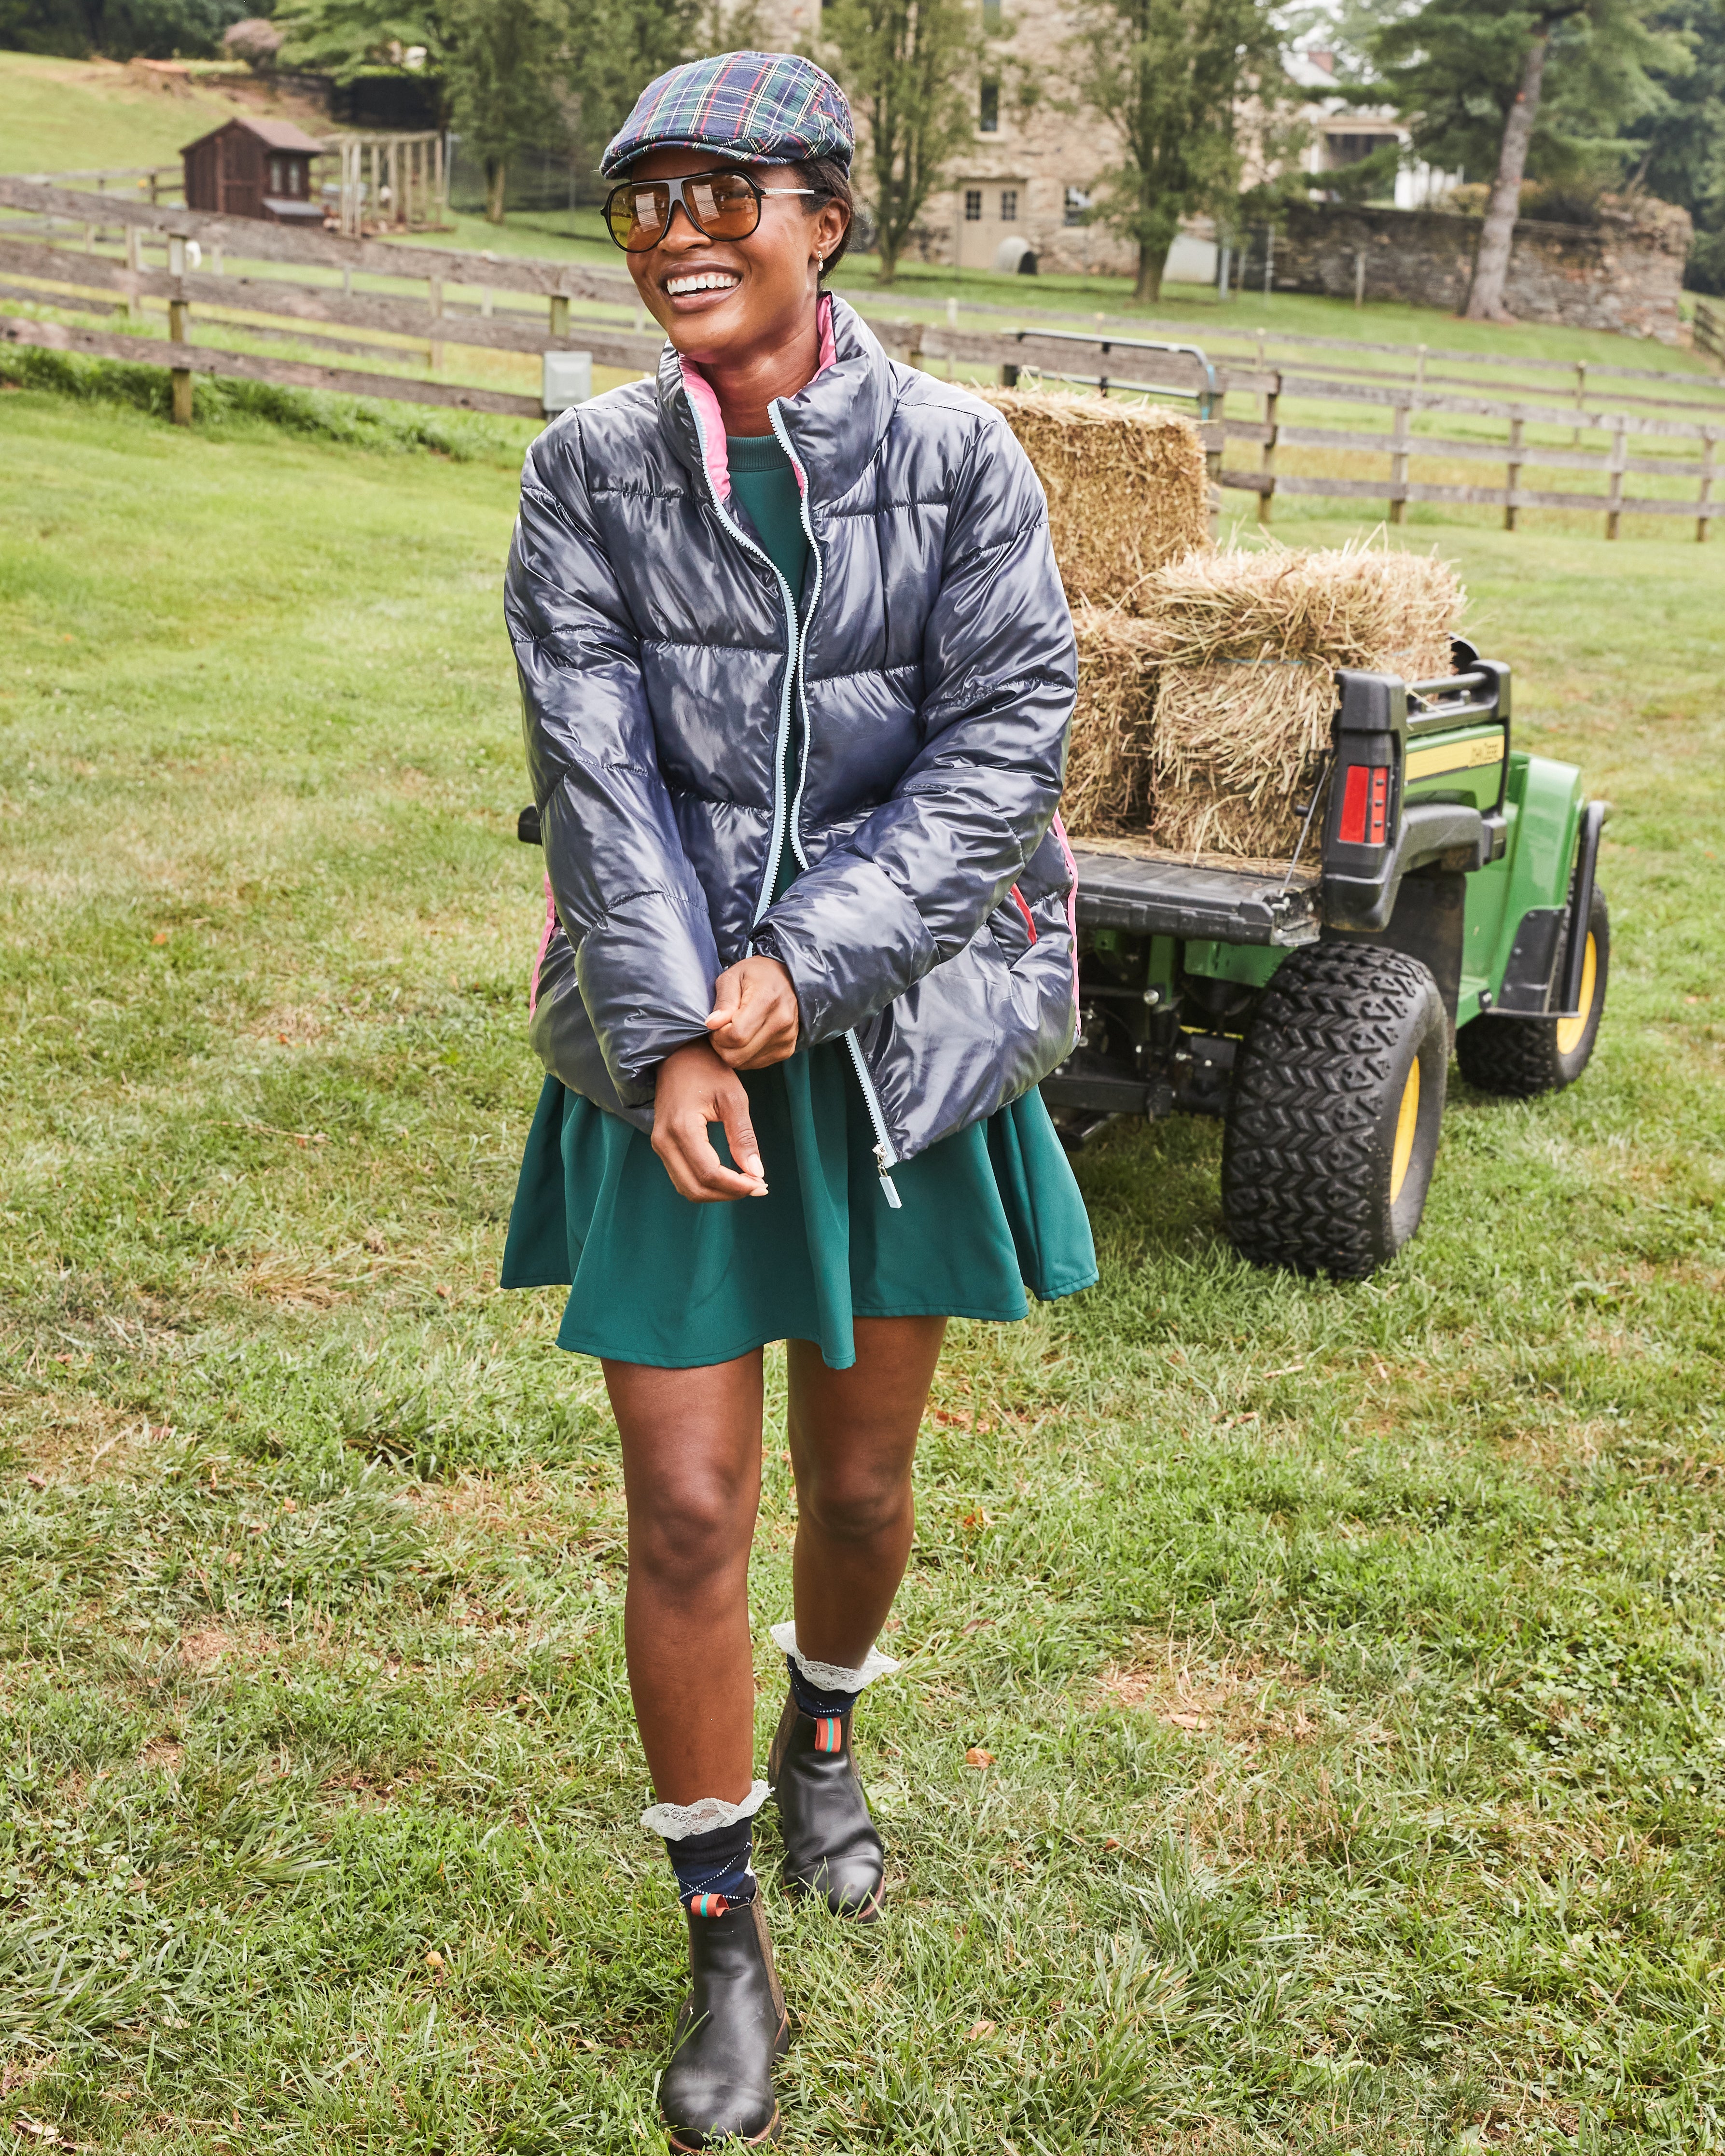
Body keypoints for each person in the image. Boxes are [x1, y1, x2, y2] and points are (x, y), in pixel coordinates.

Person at [499, 50, 1096, 2151]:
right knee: (684, 1507)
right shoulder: (585, 471)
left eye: (720, 188)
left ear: (827, 214)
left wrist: (808, 968)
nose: (674, 227)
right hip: (662, 1056)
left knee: (854, 1494)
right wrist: (671, 1027)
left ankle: (828, 1726)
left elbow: (1010, 736)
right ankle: (721, 1921)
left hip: (896, 1046)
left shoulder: (961, 458)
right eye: (642, 192)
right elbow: (595, 768)